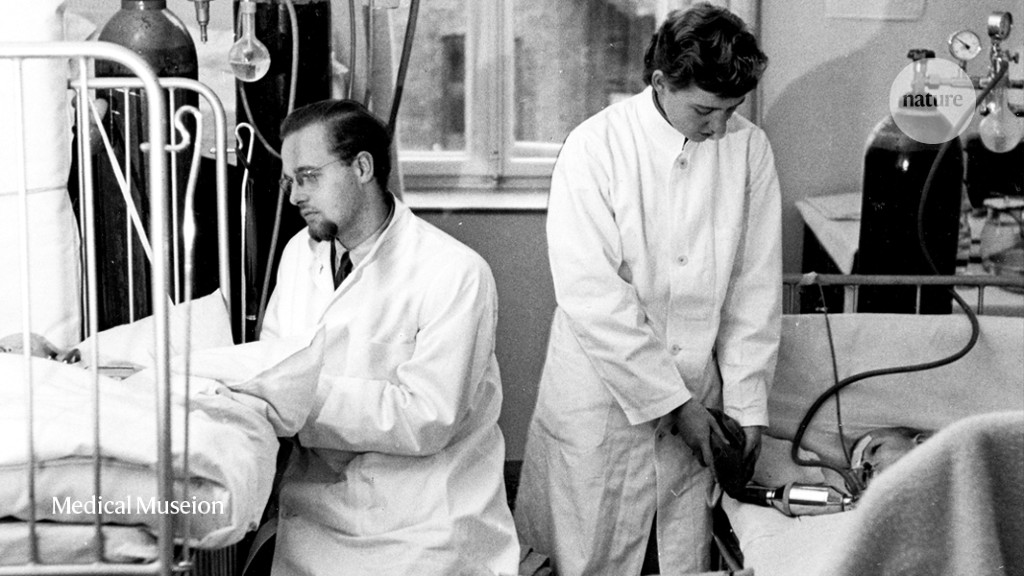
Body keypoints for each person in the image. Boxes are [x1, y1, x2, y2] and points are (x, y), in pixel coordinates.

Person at [513, 4, 782, 575]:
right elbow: (593, 298)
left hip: (700, 396)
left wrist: (747, 405)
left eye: (732, 110)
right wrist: (675, 404)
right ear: (660, 83)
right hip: (603, 397)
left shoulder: (749, 148)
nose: (719, 127)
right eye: (704, 110)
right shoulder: (596, 147)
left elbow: (753, 289)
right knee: (588, 554)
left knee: (676, 556)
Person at [259, 99, 519, 576]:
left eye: (309, 177)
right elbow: (272, 363)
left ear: (362, 168)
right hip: (316, 515)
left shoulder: (454, 272)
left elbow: (428, 418)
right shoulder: (300, 254)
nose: (294, 196)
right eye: (288, 181)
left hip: (423, 521)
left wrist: (295, 397)